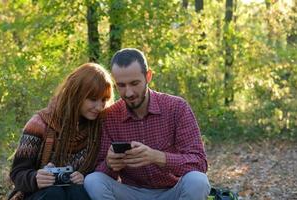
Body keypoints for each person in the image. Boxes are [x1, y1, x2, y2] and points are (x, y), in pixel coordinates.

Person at [84, 48, 210, 200]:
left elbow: (199, 163)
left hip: (173, 192)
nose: (128, 93)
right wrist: (110, 164)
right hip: (132, 193)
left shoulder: (177, 107)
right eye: (121, 85)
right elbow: (100, 172)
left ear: (148, 76)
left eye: (134, 83)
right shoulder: (109, 117)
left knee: (198, 181)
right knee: (93, 181)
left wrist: (157, 157)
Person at [9, 63, 114, 200]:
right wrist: (35, 178)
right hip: (38, 195)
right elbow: (17, 173)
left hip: (75, 194)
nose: (99, 107)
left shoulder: (100, 128)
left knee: (78, 192)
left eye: (104, 100)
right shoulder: (40, 124)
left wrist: (84, 177)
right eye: (93, 99)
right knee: (54, 193)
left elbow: (102, 172)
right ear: (76, 94)